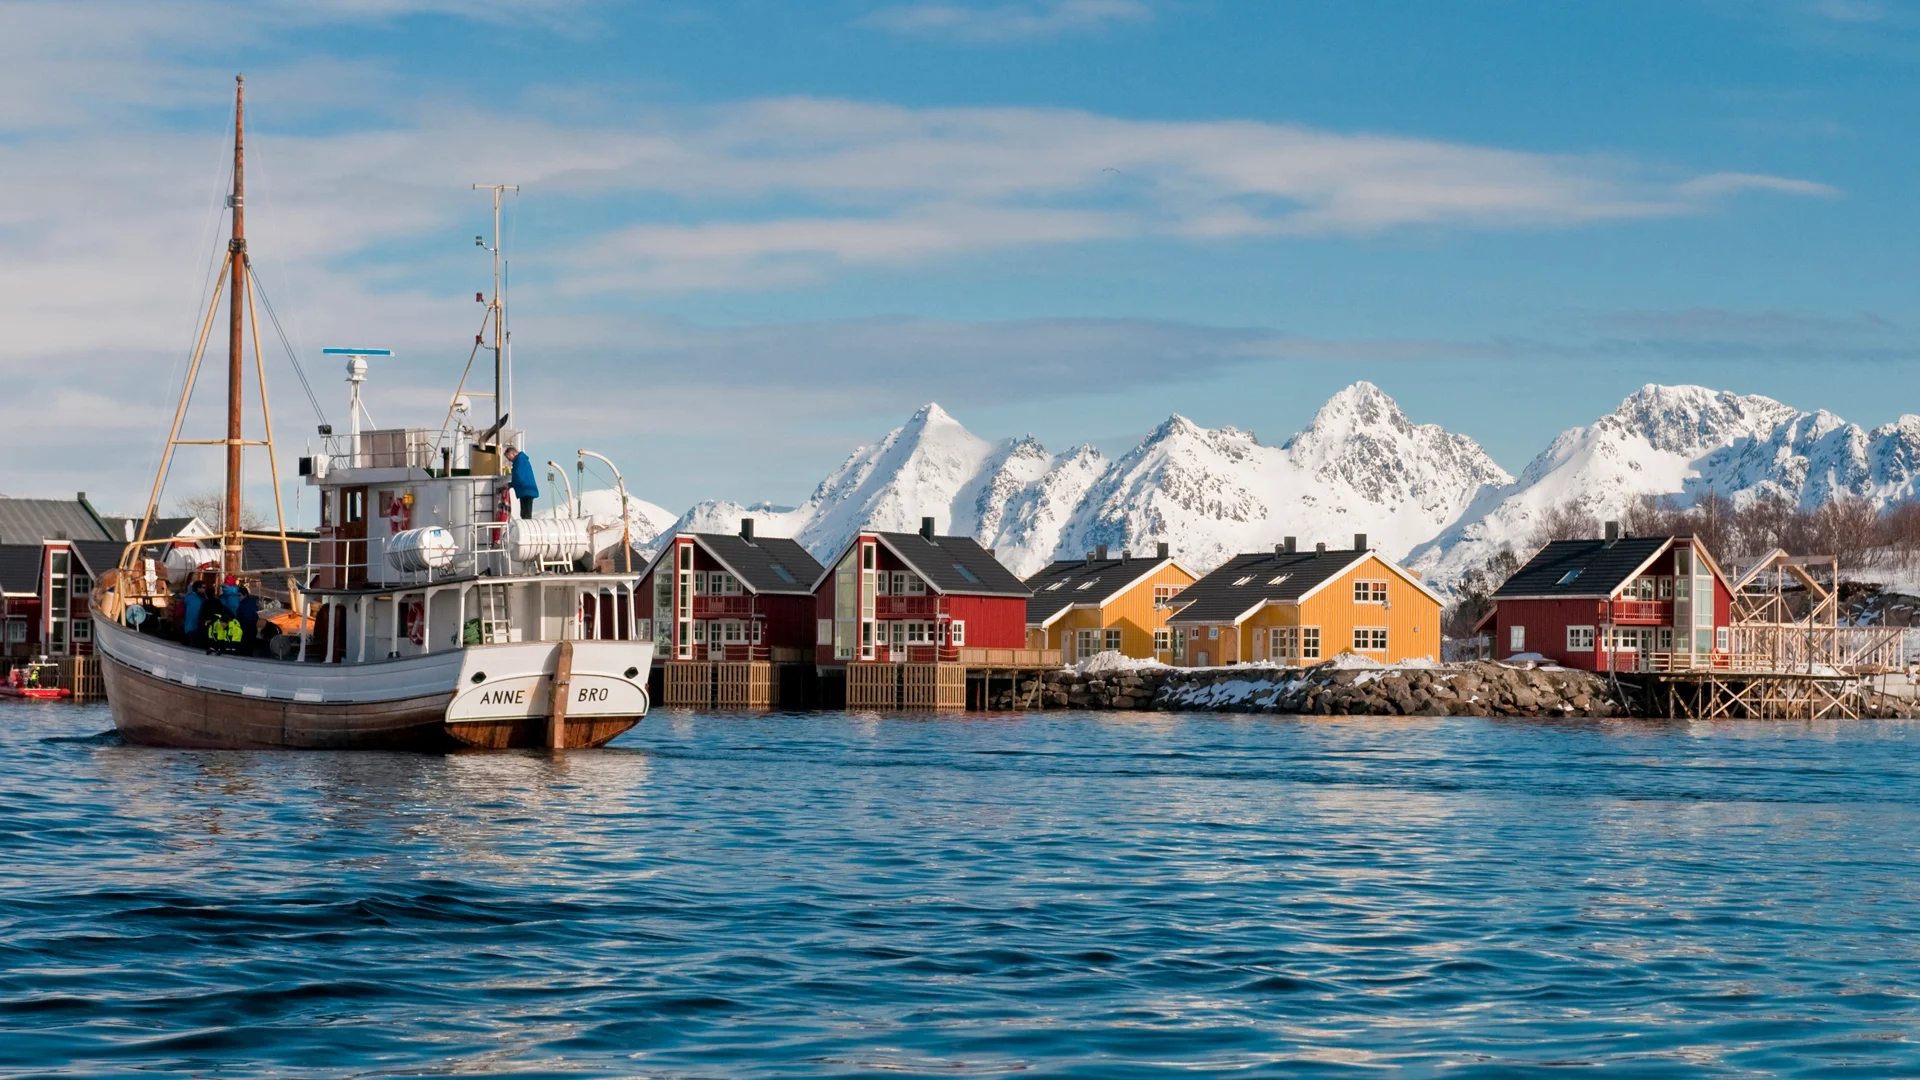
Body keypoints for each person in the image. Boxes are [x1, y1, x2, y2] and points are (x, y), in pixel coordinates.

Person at [504, 445, 540, 520]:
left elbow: (519, 476)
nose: (509, 460)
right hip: (526, 490)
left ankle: (527, 526)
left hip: (525, 490)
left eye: (508, 457)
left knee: (525, 515)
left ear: (513, 453)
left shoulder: (519, 461)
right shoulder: (521, 460)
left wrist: (510, 485)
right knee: (525, 514)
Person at [236, 586, 259, 656]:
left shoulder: (245, 604)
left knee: (245, 650)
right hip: (251, 628)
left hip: (246, 629)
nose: (238, 597)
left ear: (245, 595)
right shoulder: (250, 602)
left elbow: (245, 617)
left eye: (239, 595)